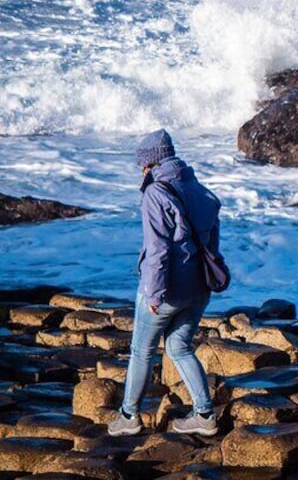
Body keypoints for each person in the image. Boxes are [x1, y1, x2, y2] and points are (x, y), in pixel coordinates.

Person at [108, 129, 221, 437]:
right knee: (178, 346)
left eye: (142, 165)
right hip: (199, 287)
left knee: (141, 351)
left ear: (152, 162)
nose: (141, 171)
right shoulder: (201, 190)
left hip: (166, 290)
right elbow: (212, 243)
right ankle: (204, 414)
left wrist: (155, 293)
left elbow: (158, 251)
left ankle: (128, 416)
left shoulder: (156, 193)